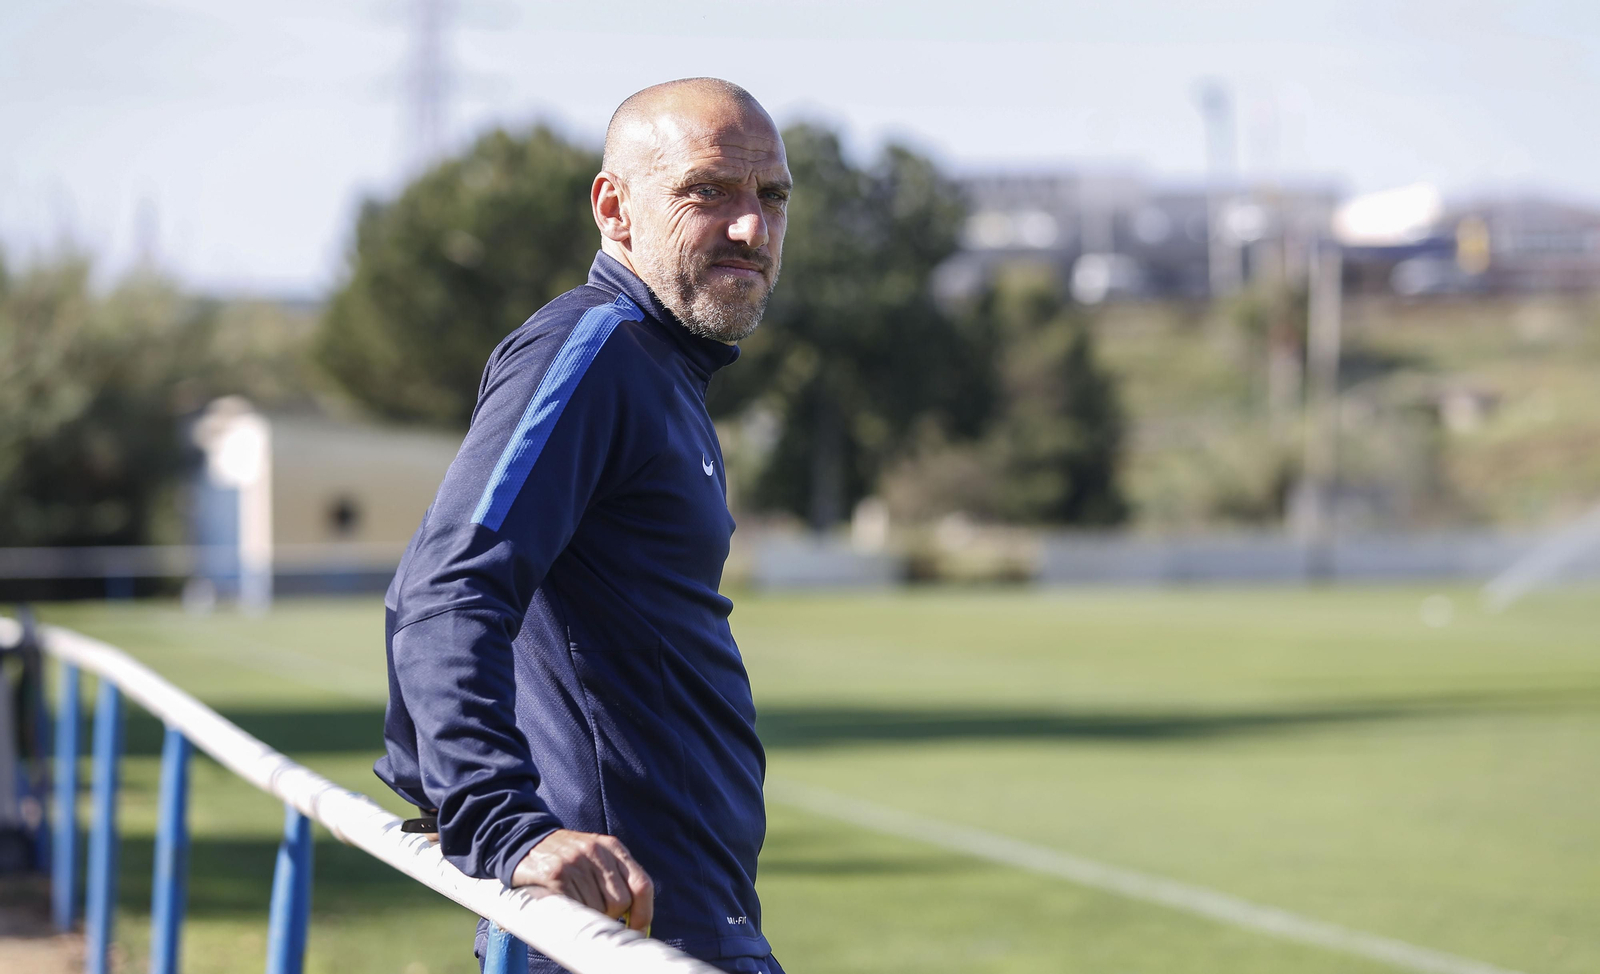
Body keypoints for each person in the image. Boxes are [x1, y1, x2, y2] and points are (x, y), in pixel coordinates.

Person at [375, 77, 791, 974]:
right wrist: (501, 822)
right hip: (619, 937)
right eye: (708, 191)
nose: (752, 228)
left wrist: (438, 782)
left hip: (679, 919)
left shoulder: (662, 367)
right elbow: (445, 585)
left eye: (772, 197)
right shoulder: (596, 350)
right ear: (616, 209)